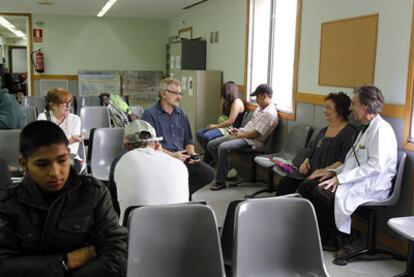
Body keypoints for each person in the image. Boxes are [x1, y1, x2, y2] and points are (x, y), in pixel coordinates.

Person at [0, 120, 127, 277]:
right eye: (42, 164)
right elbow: (4, 266)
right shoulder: (8, 203)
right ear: (24, 164)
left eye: (62, 160)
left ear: (69, 154)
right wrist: (66, 261)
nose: (55, 172)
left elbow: (117, 254)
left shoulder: (94, 194)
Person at [298, 85, 397, 260]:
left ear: (366, 106)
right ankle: (327, 233)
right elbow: (352, 160)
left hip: (373, 184)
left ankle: (349, 237)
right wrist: (331, 171)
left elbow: (375, 166)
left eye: (354, 103)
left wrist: (340, 179)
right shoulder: (365, 128)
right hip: (356, 177)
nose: (350, 108)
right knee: (308, 185)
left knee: (322, 193)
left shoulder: (381, 130)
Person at [142, 78, 215, 195]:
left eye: (180, 93)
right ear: (163, 93)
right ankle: (177, 195)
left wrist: (192, 154)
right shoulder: (149, 114)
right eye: (175, 93)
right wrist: (172, 155)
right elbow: (149, 145)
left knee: (208, 174)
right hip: (161, 158)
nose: (179, 97)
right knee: (173, 175)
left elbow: (188, 140)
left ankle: (181, 194)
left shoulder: (182, 114)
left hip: (182, 156)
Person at [276, 92, 356, 196]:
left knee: (305, 187)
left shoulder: (349, 132)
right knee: (286, 182)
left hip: (326, 174)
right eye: (325, 107)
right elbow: (312, 149)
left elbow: (344, 160)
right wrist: (305, 162)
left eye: (329, 108)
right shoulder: (324, 130)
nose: (325, 111)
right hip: (309, 170)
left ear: (340, 111)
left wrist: (325, 170)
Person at [114, 119, 189, 223]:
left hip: (136, 232)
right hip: (179, 230)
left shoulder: (121, 162)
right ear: (156, 143)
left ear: (127, 145)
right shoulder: (179, 164)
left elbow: (115, 200)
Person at [208, 84, 279, 191]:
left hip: (252, 142)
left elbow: (255, 134)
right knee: (211, 145)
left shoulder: (269, 114)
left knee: (223, 147)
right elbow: (251, 125)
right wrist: (238, 131)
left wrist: (239, 134)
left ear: (264, 96)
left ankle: (220, 181)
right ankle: (228, 170)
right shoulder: (261, 108)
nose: (256, 100)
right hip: (244, 135)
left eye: (257, 97)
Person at [196, 81, 245, 164]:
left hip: (230, 128)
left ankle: (207, 159)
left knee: (207, 136)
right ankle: (209, 156)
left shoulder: (237, 102)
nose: (222, 94)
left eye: (223, 92)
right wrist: (222, 101)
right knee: (199, 133)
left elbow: (230, 121)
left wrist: (214, 126)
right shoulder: (228, 101)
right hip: (223, 126)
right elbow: (221, 113)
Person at [37, 88, 84, 173]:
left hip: (69, 157)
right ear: (53, 105)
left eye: (69, 103)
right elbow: (42, 145)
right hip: (47, 157)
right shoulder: (42, 118)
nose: (68, 107)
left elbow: (73, 150)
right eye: (64, 104)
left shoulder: (75, 119)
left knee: (68, 168)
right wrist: (69, 141)